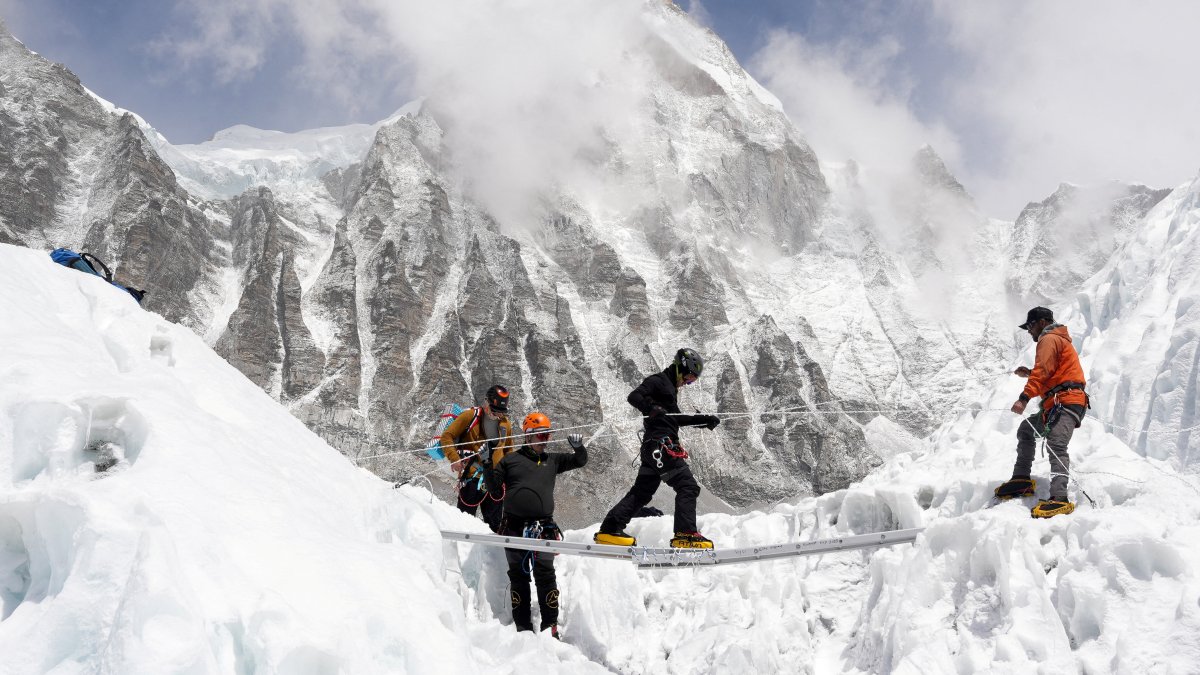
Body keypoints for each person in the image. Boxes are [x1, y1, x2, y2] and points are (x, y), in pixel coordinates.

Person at [594, 348, 721, 549]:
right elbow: (634, 396)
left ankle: (610, 529)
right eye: (688, 378)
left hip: (652, 448)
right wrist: (650, 408)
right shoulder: (659, 381)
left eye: (691, 382)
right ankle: (685, 533)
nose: (687, 383)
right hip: (661, 446)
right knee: (687, 486)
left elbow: (676, 418)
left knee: (642, 492)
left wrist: (704, 420)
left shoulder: (670, 388)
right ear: (681, 368)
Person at [480, 412, 587, 638]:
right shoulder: (510, 461)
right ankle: (523, 629)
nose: (545, 440)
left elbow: (580, 461)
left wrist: (579, 448)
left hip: (543, 528)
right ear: (528, 436)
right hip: (514, 527)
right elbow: (494, 490)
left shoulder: (553, 461)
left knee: (546, 576)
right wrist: (488, 463)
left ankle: (551, 627)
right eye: (540, 435)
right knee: (518, 578)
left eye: (547, 435)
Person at [997, 307, 1088, 518]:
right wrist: (1029, 373)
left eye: (1030, 326)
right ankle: (1021, 479)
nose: (1029, 331)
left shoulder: (1049, 339)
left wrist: (1023, 398)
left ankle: (1060, 498)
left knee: (1056, 443)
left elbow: (1042, 372)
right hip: (1059, 402)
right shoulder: (1056, 340)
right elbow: (1049, 373)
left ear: (1043, 322)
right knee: (1027, 431)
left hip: (1066, 401)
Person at [441, 385, 515, 532]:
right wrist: (454, 458)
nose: (498, 415)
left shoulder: (505, 424)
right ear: (486, 403)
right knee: (464, 522)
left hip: (496, 481)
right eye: (495, 411)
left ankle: (491, 553)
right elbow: (447, 436)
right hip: (472, 478)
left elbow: (508, 450)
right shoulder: (469, 416)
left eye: (501, 412)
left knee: (495, 525)